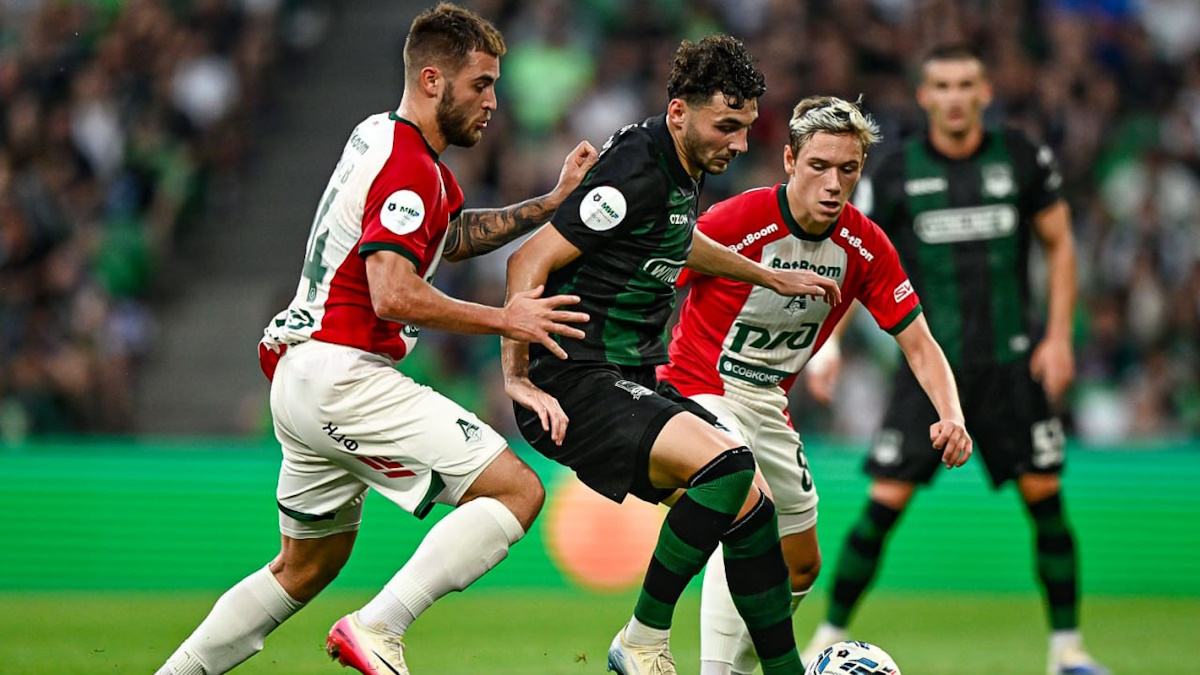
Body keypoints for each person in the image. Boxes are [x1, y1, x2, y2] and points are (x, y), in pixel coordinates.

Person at [155, 5, 598, 675]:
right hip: (345, 375)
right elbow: (392, 291)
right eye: (480, 84)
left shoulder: (379, 138)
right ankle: (378, 627)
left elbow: (446, 237)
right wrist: (506, 318)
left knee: (307, 564)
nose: (492, 102)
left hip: (302, 376)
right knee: (516, 491)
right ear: (432, 80)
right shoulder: (411, 169)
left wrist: (550, 202)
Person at [502, 34, 843, 675]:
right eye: (727, 126)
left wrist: (767, 276)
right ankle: (642, 640)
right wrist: (517, 378)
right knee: (729, 467)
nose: (739, 144)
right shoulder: (637, 167)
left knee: (754, 509)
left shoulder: (680, 166)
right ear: (680, 112)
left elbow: (677, 239)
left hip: (626, 375)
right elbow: (528, 260)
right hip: (575, 379)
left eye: (746, 128)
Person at [801, 45, 1110, 675]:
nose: (954, 97)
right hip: (928, 370)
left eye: (966, 84)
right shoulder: (896, 170)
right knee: (883, 504)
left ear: (984, 92)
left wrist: (1057, 337)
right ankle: (824, 640)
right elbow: (855, 258)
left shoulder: (1020, 157)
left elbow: (1059, 243)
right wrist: (828, 343)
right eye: (941, 85)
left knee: (1046, 499)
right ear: (924, 96)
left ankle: (1068, 653)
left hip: (1011, 365)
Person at [654, 95, 973, 675]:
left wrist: (951, 412)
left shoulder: (865, 246)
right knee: (747, 508)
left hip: (768, 402)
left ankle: (738, 665)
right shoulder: (738, 219)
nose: (833, 183)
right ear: (789, 161)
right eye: (818, 166)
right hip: (699, 387)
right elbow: (655, 275)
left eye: (847, 169)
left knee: (800, 563)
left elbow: (919, 342)